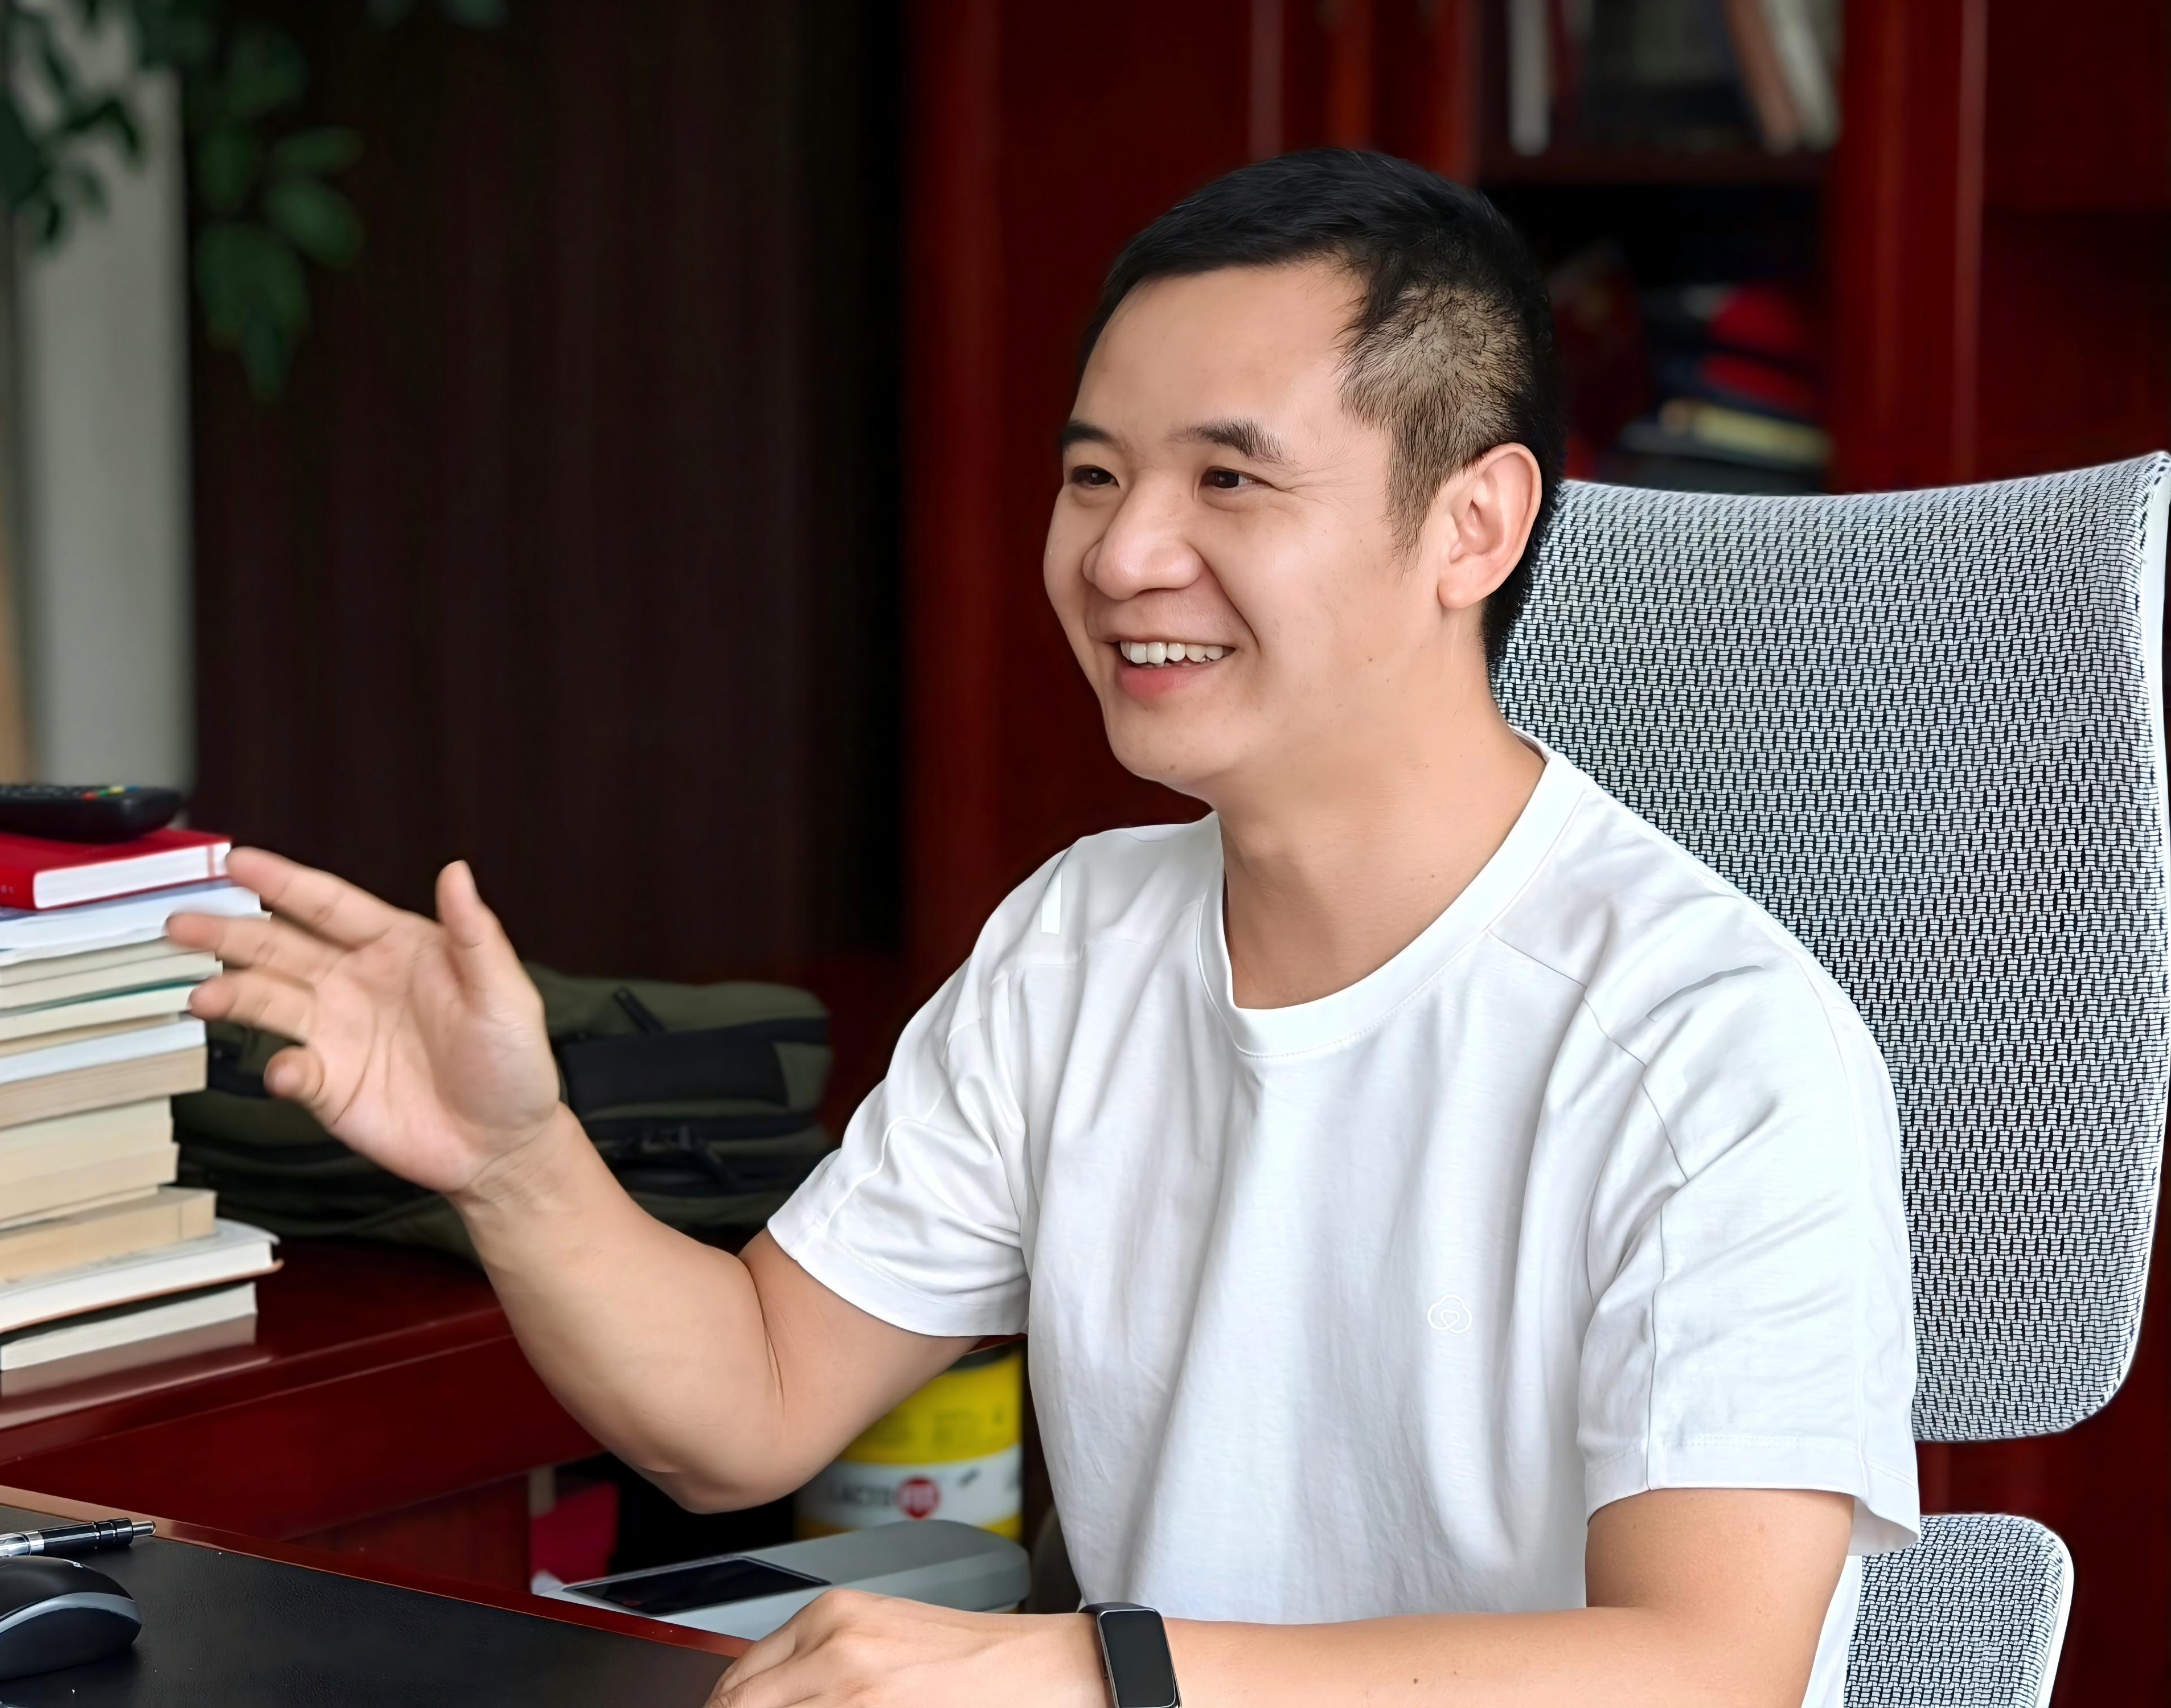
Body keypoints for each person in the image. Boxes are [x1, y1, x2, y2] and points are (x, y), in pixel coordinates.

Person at [171, 150, 1916, 1708]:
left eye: (1228, 481)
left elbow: (1709, 1671)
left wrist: (1094, 1674)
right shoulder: (1081, 942)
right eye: (1094, 475)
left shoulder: (1711, 1043)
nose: (1124, 553)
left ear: (1476, 525)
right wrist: (513, 1161)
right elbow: (749, 1402)